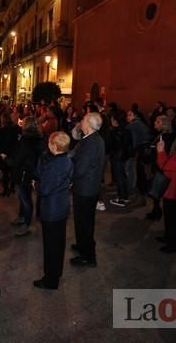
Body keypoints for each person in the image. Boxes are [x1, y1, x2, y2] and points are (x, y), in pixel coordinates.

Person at [33, 131, 74, 290]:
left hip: (52, 210)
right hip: (61, 206)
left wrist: (35, 185)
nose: (47, 145)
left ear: (54, 146)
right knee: (58, 244)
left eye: (49, 142)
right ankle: (56, 273)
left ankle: (51, 280)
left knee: (51, 247)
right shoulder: (67, 159)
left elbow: (44, 189)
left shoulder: (55, 165)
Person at [70, 112, 105, 267]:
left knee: (85, 222)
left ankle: (88, 256)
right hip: (88, 187)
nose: (81, 122)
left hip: (86, 188)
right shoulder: (92, 139)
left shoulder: (91, 142)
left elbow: (80, 168)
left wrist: (68, 176)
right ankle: (82, 245)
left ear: (89, 125)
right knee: (81, 220)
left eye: (83, 120)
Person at [3, 116, 46, 237]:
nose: (21, 124)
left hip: (24, 173)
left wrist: (6, 158)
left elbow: (17, 160)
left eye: (23, 123)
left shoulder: (26, 140)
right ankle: (22, 218)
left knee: (26, 199)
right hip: (32, 173)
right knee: (24, 197)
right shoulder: (40, 138)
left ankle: (26, 224)